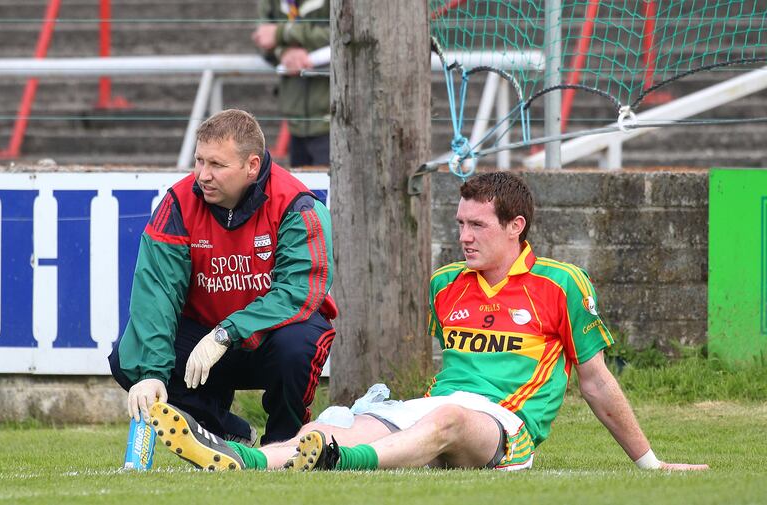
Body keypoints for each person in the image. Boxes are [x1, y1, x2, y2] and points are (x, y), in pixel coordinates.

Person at [146, 171, 707, 472]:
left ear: (516, 227)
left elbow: (596, 381)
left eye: (477, 225)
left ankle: (343, 464)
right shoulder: (445, 284)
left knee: (448, 420)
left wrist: (650, 463)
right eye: (459, 222)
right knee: (328, 429)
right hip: (436, 405)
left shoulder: (562, 284)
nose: (463, 235)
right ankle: (239, 459)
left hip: (504, 428)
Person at [108, 108, 337, 446]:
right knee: (127, 357)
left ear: (252, 166)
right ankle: (226, 429)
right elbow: (157, 292)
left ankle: (284, 443)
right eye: (199, 161)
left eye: (216, 165)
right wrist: (152, 373)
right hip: (204, 339)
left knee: (299, 344)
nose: (203, 174)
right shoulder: (178, 203)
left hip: (266, 339)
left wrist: (227, 333)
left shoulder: (297, 205)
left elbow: (298, 293)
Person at [251, 0, 331, 167]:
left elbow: (348, 33)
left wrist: (283, 33)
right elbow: (262, 36)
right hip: (295, 121)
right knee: (303, 189)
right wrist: (284, 53)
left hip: (335, 119)